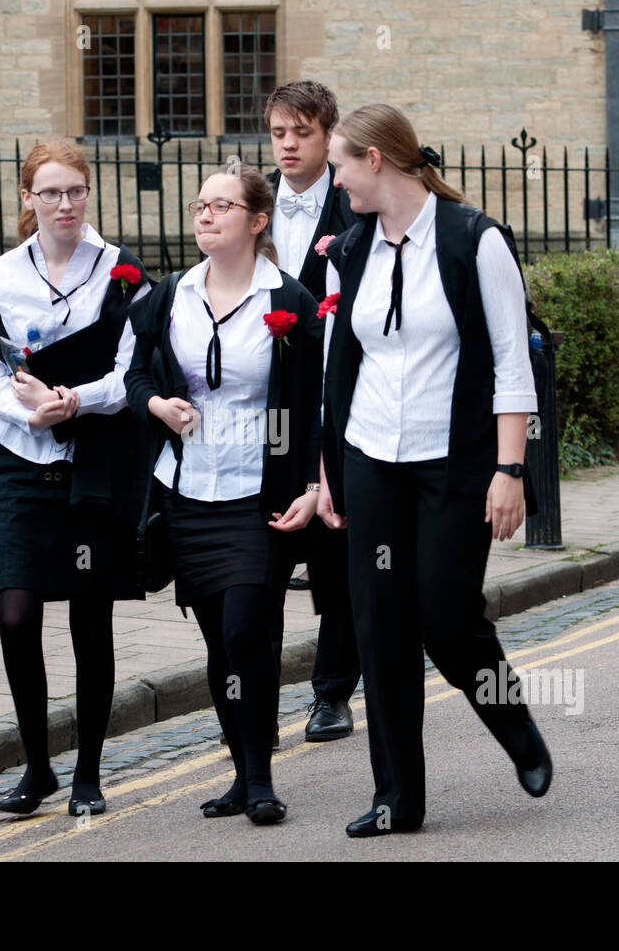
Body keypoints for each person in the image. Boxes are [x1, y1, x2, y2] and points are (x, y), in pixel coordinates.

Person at [317, 103, 552, 838]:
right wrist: (329, 471)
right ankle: (397, 798)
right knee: (379, 625)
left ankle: (514, 725)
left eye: (340, 165)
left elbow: (514, 362)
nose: (336, 180)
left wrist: (510, 468)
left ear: (376, 160)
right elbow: (339, 365)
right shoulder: (351, 247)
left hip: (454, 463)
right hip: (369, 461)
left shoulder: (473, 241)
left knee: (447, 614)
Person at [125, 164, 322, 825]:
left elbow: (315, 402)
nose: (205, 214)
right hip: (187, 492)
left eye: (220, 205)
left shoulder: (285, 300)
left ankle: (263, 776)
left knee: (246, 629)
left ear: (257, 221)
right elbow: (130, 373)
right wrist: (157, 403)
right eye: (199, 204)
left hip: (256, 492)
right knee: (219, 643)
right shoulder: (167, 297)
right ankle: (240, 772)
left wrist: (315, 483)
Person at [0, 141, 151, 818]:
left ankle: (89, 772)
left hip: (92, 460)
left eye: (76, 191)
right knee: (16, 616)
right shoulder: (0, 277)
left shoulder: (122, 274)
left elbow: (134, 370)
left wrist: (75, 401)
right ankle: (38, 766)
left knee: (88, 618)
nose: (66, 204)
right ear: (29, 199)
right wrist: (23, 405)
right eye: (51, 193)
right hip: (21, 456)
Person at [264, 80, 360, 743]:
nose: (290, 144)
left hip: (335, 410)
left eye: (302, 132)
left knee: (336, 556)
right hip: (268, 411)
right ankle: (251, 699)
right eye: (279, 133)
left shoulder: (354, 211)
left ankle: (331, 693)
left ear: (328, 135)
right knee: (262, 550)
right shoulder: (248, 203)